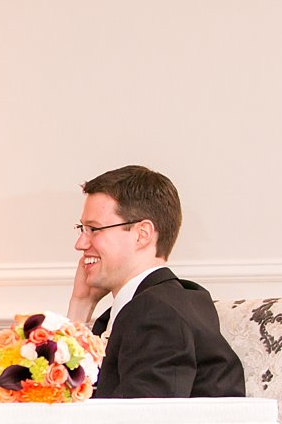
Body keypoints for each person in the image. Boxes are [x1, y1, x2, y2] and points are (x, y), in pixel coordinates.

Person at [66, 164, 244, 399]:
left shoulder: (157, 313)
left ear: (142, 234)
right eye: (82, 228)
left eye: (94, 229)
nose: (80, 243)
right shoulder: (144, 307)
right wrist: (80, 305)